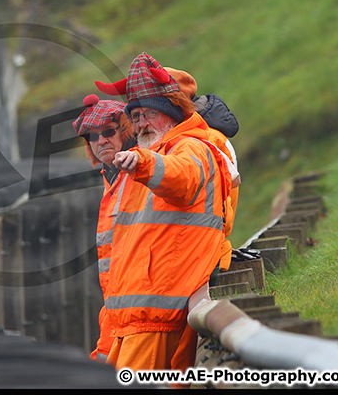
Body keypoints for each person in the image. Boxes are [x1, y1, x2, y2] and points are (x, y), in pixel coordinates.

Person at [90, 52, 234, 374]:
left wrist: (143, 163)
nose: (140, 123)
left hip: (156, 321)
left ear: (170, 113)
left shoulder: (192, 147)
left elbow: (180, 177)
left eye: (147, 114)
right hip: (135, 320)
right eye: (135, 116)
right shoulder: (145, 158)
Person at [71, 94, 136, 363]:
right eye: (92, 137)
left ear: (127, 132)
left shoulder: (136, 171)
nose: (100, 141)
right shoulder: (109, 179)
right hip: (116, 307)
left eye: (108, 131)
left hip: (138, 310)